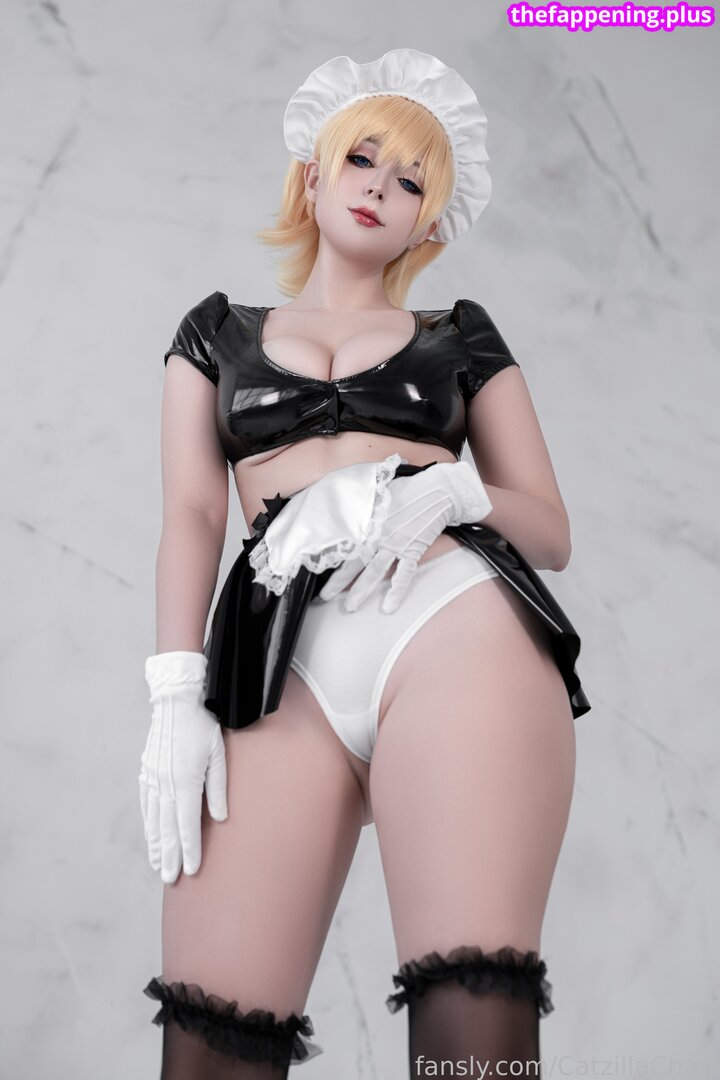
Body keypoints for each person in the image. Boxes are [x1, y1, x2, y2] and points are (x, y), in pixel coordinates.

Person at [139, 48, 591, 1079]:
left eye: (411, 180)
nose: (380, 187)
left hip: (453, 630)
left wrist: (458, 492)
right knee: (209, 1050)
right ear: (312, 175)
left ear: (431, 223)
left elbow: (552, 530)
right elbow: (192, 513)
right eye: (362, 159)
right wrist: (172, 694)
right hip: (273, 666)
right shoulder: (214, 334)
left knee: (471, 1029)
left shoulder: (460, 336)